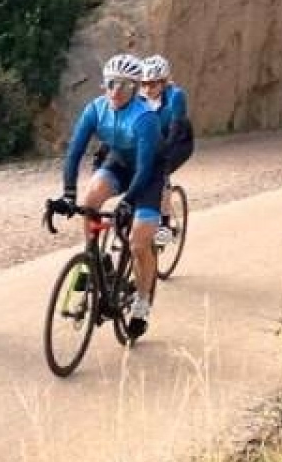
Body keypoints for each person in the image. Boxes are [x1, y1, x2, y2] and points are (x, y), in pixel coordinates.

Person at [55, 53, 166, 336]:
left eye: (126, 86)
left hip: (147, 175)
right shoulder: (95, 109)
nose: (116, 91)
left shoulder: (145, 118)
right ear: (104, 84)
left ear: (135, 89)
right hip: (117, 164)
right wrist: (68, 194)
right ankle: (94, 257)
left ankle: (142, 302)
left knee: (139, 242)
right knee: (89, 201)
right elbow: (74, 153)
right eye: (111, 83)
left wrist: (128, 202)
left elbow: (143, 169)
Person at [138, 55, 192, 250]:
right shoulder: (139, 98)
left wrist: (163, 155)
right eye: (143, 84)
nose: (147, 89)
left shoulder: (176, 96)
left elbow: (176, 129)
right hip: (155, 139)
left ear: (164, 82)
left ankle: (164, 227)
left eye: (152, 84)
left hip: (180, 141)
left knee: (161, 174)